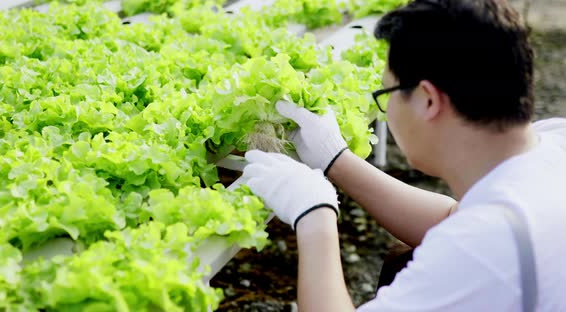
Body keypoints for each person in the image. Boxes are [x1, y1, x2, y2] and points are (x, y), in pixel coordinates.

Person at [241, 0, 566, 311]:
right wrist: (336, 160)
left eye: (387, 93)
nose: (387, 107)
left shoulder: (484, 248)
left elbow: (477, 237)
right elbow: (455, 218)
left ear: (427, 100)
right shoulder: (553, 139)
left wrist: (314, 216)